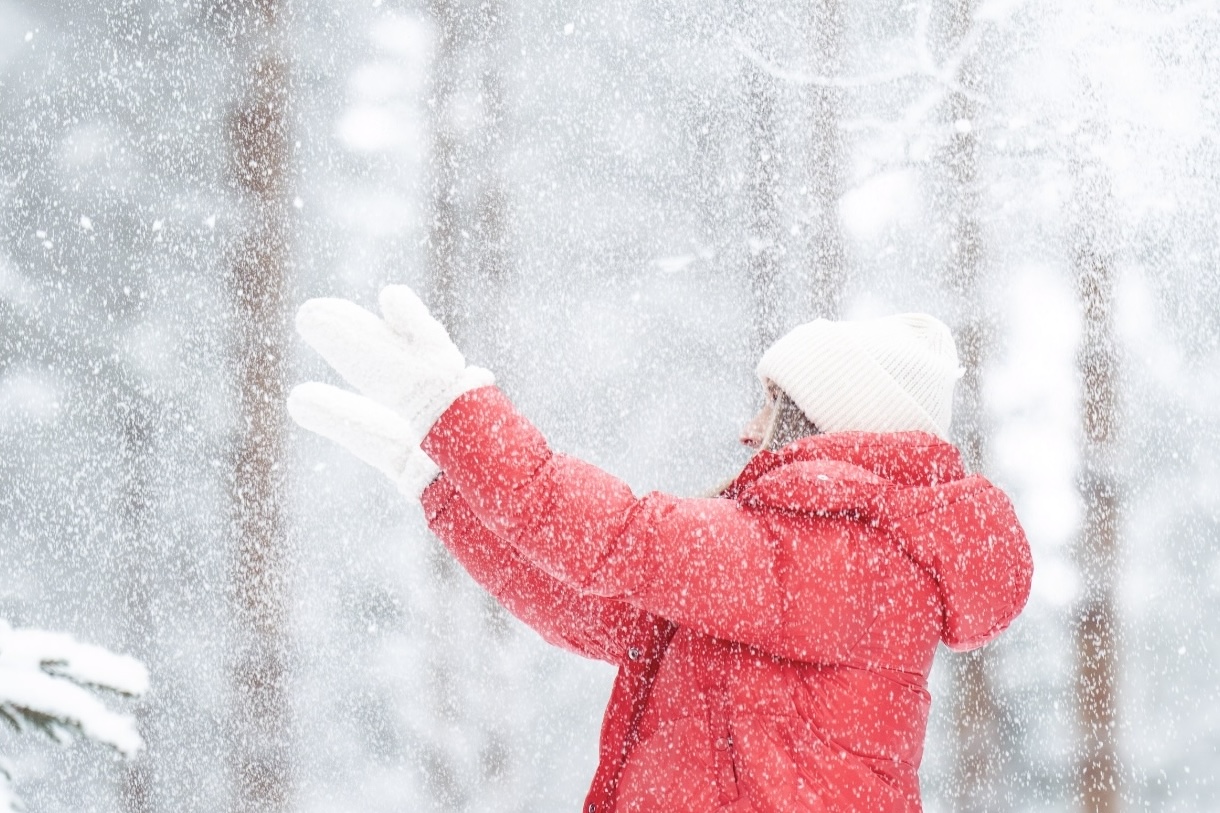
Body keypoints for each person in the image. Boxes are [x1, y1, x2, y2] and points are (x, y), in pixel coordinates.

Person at [287, 286, 1033, 813]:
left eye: (770, 402)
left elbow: (616, 535)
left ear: (818, 420)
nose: (749, 428)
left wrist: (448, 408)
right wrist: (438, 486)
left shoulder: (834, 557)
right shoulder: (803, 561)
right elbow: (597, 606)